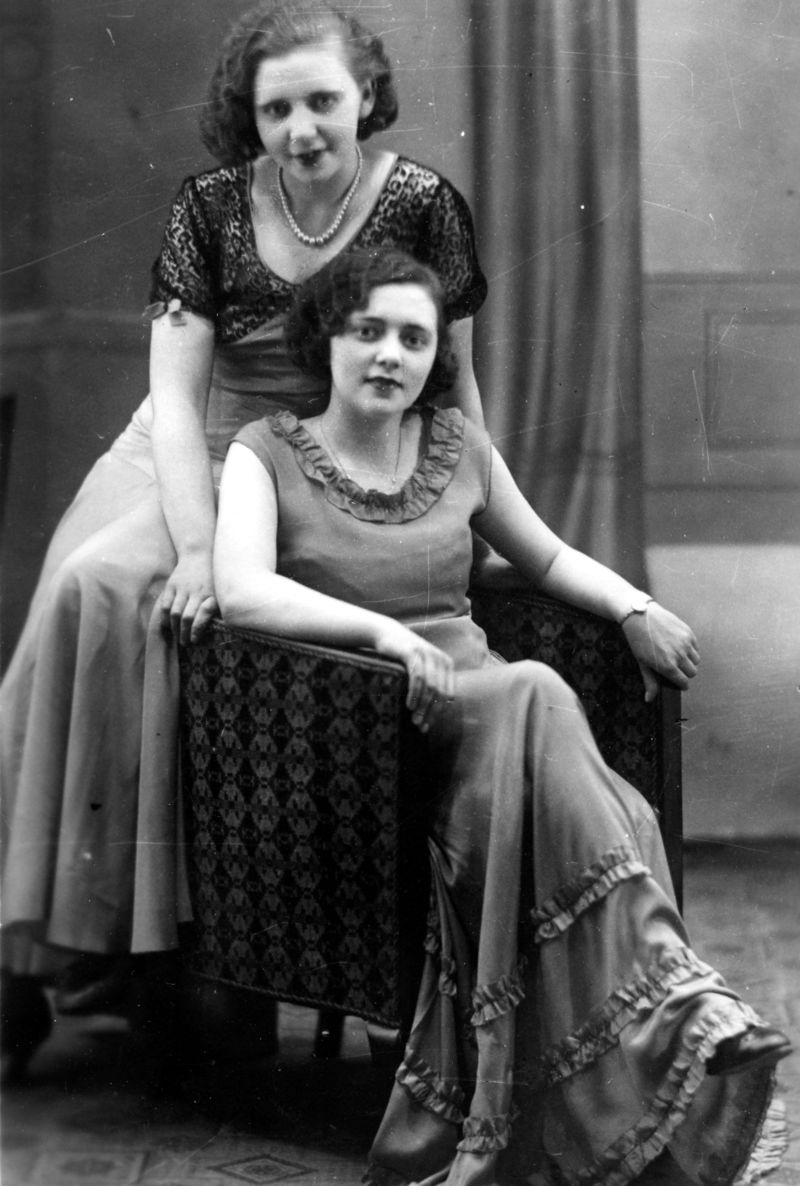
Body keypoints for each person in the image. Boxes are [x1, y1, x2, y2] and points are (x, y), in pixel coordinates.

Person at [213, 247, 792, 1186]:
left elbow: (549, 558)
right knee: (536, 690)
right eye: (368, 331)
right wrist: (386, 636)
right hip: (362, 734)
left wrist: (635, 609)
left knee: (536, 700)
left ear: (435, 355)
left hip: (489, 726)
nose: (390, 354)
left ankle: (673, 1024)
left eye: (414, 338)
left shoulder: (458, 447)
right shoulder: (263, 451)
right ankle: (682, 1009)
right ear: (326, 340)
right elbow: (241, 590)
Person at [0, 0, 487, 1080]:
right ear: (248, 116)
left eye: (322, 101)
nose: (301, 129)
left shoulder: (422, 204)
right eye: (276, 110)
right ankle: (42, 949)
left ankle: (180, 954)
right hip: (191, 452)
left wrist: (477, 513)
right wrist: (191, 544)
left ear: (366, 94)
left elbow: (455, 387)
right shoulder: (211, 206)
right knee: (97, 587)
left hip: (318, 451)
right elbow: (176, 405)